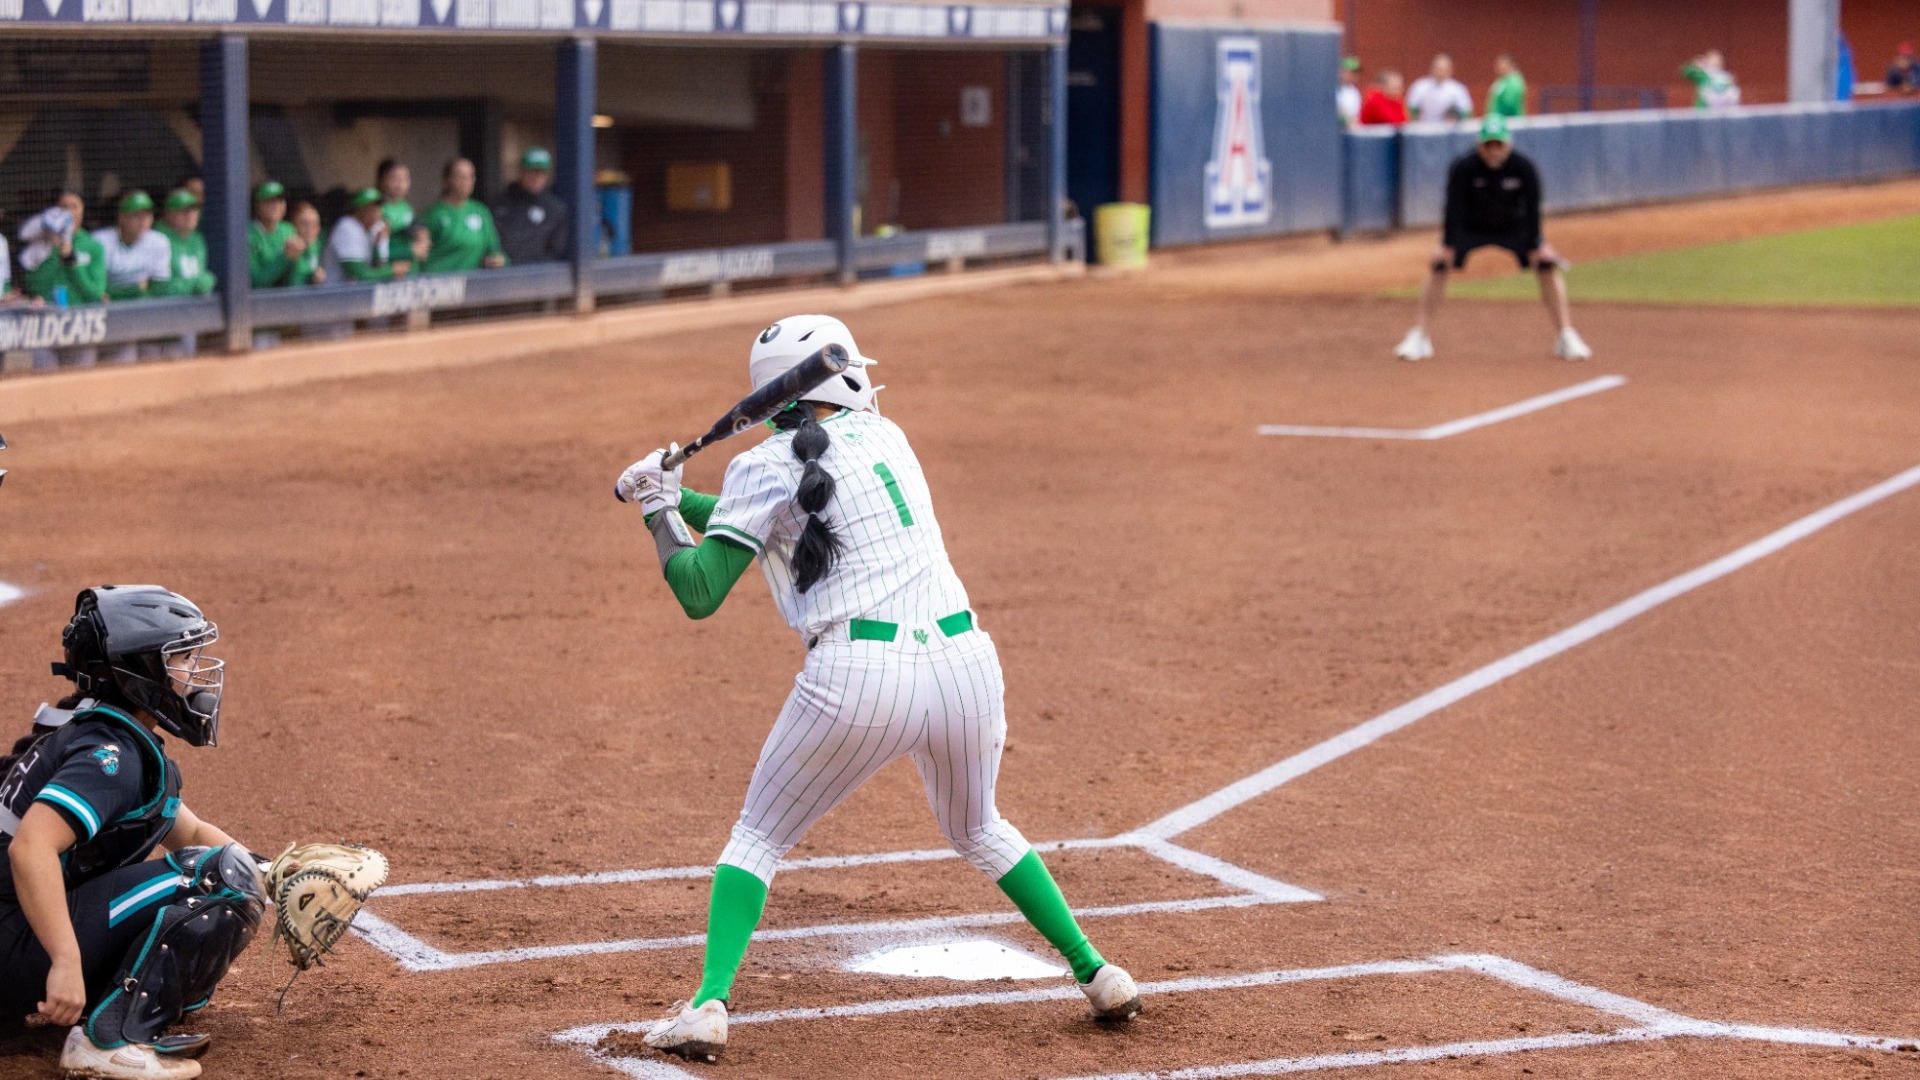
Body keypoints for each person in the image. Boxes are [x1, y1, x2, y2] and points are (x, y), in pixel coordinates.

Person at [614, 316, 1143, 1063]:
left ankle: (707, 1005)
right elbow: (782, 517)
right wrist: (677, 495)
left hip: (857, 683)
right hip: (965, 667)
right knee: (980, 828)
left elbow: (700, 589)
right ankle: (1098, 971)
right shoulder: (891, 440)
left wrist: (656, 509)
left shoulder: (763, 468)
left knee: (758, 839)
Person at [0, 585, 266, 1080]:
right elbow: (31, 847)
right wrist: (64, 960)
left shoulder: (104, 731)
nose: (195, 670)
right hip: (10, 945)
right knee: (219, 881)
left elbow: (188, 832)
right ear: (137, 670)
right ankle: (108, 1042)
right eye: (182, 656)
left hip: (8, 936)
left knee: (236, 868)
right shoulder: (111, 757)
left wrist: (277, 872)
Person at [1393, 115, 1591, 363]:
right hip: (1471, 227)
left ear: (1508, 144)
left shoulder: (1524, 167)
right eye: (1489, 145)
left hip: (1512, 226)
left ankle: (1566, 335)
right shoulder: (1464, 167)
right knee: (1439, 265)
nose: (1494, 150)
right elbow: (1452, 208)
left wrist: (1537, 244)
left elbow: (1532, 210)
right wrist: (1447, 244)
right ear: (1480, 145)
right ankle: (1419, 335)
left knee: (1545, 265)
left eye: (1499, 144)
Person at [421, 158, 506, 273]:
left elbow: (493, 247)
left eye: (471, 176)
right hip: (439, 282)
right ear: (447, 180)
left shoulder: (480, 210)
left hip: (473, 284)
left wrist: (497, 259)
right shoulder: (433, 215)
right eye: (461, 176)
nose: (467, 182)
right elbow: (419, 255)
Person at [492, 147, 569, 264]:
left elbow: (555, 250)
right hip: (501, 274)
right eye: (532, 172)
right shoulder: (499, 203)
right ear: (520, 172)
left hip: (536, 275)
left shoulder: (555, 208)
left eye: (542, 173)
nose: (537, 177)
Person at [92, 191, 171, 302]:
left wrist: (116, 293)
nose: (143, 221)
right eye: (137, 215)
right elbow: (96, 289)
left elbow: (159, 286)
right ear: (122, 218)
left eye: (147, 215)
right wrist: (135, 290)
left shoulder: (159, 242)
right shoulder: (100, 241)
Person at [323, 188, 404, 283]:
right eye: (371, 209)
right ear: (358, 210)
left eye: (378, 208)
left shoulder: (372, 229)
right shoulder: (347, 227)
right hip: (333, 293)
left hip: (352, 293)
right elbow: (358, 274)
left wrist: (377, 245)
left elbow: (377, 266)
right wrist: (391, 270)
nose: (377, 213)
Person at [154, 189, 216, 297]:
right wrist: (194, 285)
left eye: (194, 210)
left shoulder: (197, 239)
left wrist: (206, 281)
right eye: (183, 211)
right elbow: (158, 288)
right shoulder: (157, 240)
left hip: (194, 306)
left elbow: (201, 275)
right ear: (168, 214)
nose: (190, 215)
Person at [247, 181, 307, 288]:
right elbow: (256, 281)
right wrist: (285, 257)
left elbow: (298, 276)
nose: (276, 205)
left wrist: (296, 260)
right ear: (256, 205)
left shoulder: (287, 229)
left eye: (280, 200)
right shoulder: (248, 234)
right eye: (269, 201)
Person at [376, 159, 428, 274]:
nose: (400, 184)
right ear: (381, 179)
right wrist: (410, 250)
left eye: (405, 179)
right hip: (388, 273)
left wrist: (422, 237)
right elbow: (375, 251)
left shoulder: (406, 207)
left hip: (410, 271)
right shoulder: (377, 208)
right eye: (394, 178)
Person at [1407, 53, 1473, 123]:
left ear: (1450, 70)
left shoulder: (1458, 89)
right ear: (1431, 69)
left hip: (1449, 131)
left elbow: (1466, 112)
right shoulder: (1420, 86)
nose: (1440, 72)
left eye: (1443, 69)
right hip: (1423, 129)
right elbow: (1410, 109)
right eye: (1437, 68)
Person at [287, 201, 327, 287]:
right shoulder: (288, 249)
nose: (310, 229)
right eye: (304, 224)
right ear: (292, 225)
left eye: (315, 224)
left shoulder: (318, 245)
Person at [1487, 53, 1527, 118]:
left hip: (1511, 121)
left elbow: (1510, 102)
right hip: (1498, 121)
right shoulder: (1502, 80)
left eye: (1501, 64)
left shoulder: (1514, 81)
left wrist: (1500, 117)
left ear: (1509, 65)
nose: (1498, 67)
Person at [1337, 56, 1364, 127]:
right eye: (1351, 72)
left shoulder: (1355, 91)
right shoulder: (1333, 89)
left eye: (1356, 73)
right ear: (1341, 72)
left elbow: (1356, 116)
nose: (1354, 75)